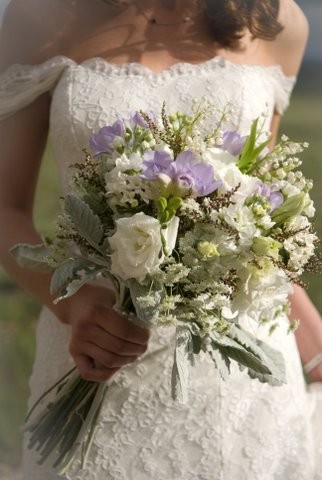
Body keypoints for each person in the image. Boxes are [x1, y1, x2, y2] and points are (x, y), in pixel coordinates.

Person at [0, 0, 321, 478]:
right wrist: (74, 305)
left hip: (242, 379)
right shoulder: (41, 14)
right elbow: (5, 206)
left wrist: (313, 347)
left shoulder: (276, 20)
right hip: (93, 350)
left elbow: (258, 207)